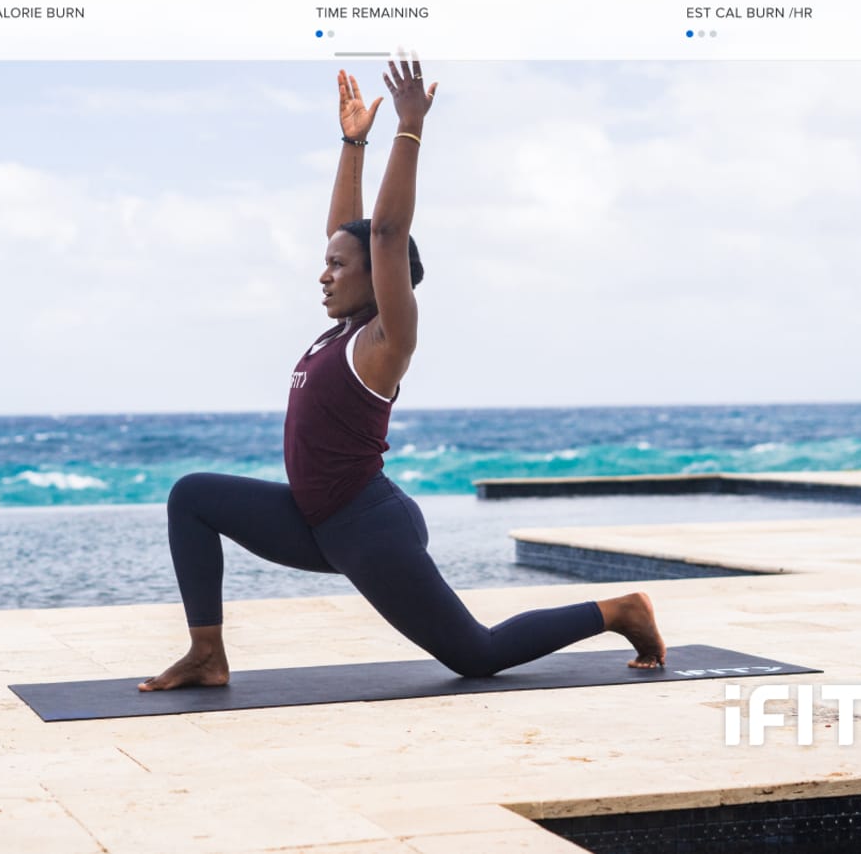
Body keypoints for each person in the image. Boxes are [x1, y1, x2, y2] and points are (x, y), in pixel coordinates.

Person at [139, 58, 665, 691]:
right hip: (314, 521)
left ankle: (618, 611)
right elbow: (353, 233)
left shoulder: (385, 340)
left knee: (476, 655)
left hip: (367, 527)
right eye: (325, 263)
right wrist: (352, 143)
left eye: (338, 266)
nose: (323, 273)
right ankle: (206, 653)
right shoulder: (339, 330)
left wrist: (409, 129)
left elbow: (384, 233)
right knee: (192, 496)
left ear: (376, 276)